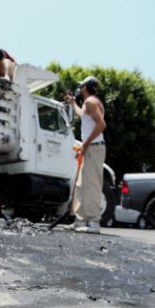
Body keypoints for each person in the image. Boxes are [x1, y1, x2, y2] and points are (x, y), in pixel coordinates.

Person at [63, 76, 107, 234]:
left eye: (81, 87)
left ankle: (94, 223)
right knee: (81, 184)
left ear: (85, 88)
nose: (80, 89)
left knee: (92, 185)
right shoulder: (89, 103)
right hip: (90, 147)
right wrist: (73, 102)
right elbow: (82, 115)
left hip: (94, 148)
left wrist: (85, 145)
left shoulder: (91, 102)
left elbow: (102, 124)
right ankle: (79, 220)